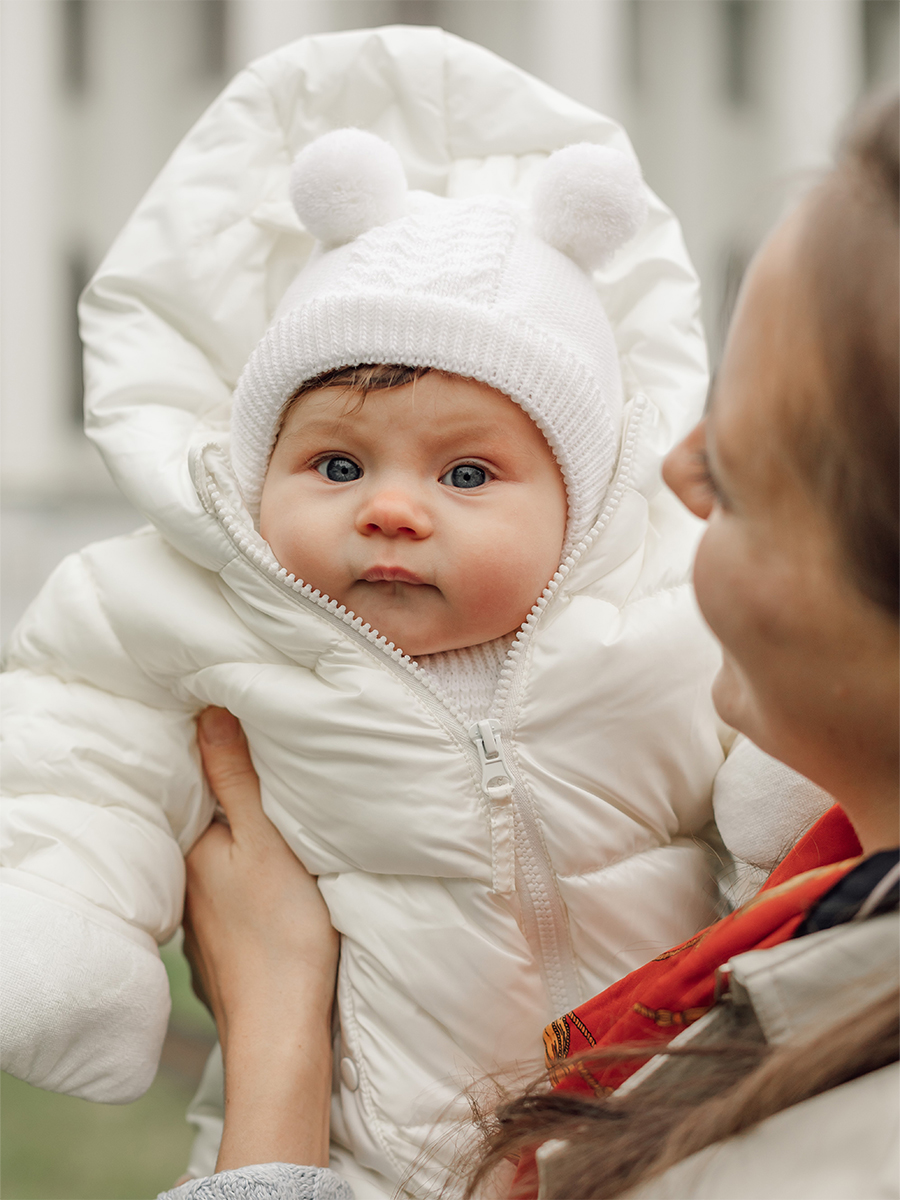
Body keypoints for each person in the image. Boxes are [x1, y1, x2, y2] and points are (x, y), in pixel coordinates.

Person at [2, 26, 813, 1198]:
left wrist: (784, 798)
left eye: (466, 475)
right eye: (336, 467)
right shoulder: (196, 614)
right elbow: (78, 743)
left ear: (580, 503)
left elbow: (780, 736)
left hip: (680, 1121)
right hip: (362, 1148)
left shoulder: (671, 602)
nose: (390, 509)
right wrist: (69, 919)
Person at [157, 92, 899, 1200]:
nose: (679, 472)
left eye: (745, 457)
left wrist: (276, 1064)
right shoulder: (828, 918)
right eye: (338, 464)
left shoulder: (819, 1158)